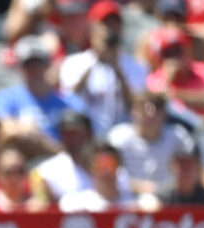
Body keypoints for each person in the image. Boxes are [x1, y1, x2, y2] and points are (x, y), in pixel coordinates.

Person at [58, 0, 147, 137]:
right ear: (91, 28)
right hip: (85, 135)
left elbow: (136, 107)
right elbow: (70, 100)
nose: (110, 29)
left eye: (114, 24)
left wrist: (117, 68)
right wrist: (97, 59)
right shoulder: (73, 63)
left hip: (122, 137)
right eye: (104, 24)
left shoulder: (136, 66)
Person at [0, 35, 84, 143]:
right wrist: (23, 129)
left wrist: (41, 139)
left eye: (37, 64)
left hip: (61, 153)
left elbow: (81, 133)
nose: (33, 70)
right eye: (28, 65)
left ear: (47, 64)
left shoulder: (68, 101)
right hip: (26, 152)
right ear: (20, 68)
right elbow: (5, 129)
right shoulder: (6, 97)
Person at [107, 91, 194, 196]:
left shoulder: (178, 137)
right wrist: (146, 188)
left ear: (165, 114)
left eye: (156, 108)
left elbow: (193, 171)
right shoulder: (118, 138)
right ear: (132, 111)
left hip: (170, 200)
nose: (150, 114)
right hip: (128, 199)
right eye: (143, 109)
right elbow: (107, 175)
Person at [145, 26, 204, 127]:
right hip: (175, 134)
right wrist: (168, 79)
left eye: (177, 51)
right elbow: (154, 106)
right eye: (168, 54)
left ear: (187, 50)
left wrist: (173, 94)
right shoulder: (154, 79)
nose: (174, 58)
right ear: (159, 59)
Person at [59, 141, 159, 212]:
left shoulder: (139, 203)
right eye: (100, 165)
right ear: (89, 168)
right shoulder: (76, 203)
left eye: (111, 163)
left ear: (119, 166)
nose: (107, 171)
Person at [161, 139, 204, 206]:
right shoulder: (163, 198)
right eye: (182, 165)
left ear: (199, 168)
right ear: (172, 167)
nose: (186, 171)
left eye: (190, 165)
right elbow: (150, 201)